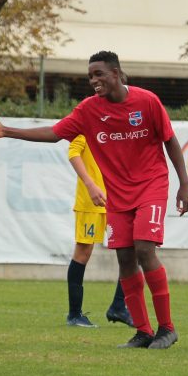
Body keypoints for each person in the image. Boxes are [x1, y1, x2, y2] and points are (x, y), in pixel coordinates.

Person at [0, 50, 188, 350]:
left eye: (99, 74)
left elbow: (170, 140)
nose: (94, 80)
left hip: (151, 185)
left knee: (143, 249)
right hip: (118, 194)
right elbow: (54, 133)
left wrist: (185, 184)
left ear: (116, 73)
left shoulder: (147, 101)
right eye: (90, 76)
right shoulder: (89, 110)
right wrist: (7, 131)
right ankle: (143, 331)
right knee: (124, 258)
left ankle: (167, 328)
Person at [66, 134, 133, 328]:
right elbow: (73, 153)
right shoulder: (85, 127)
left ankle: (119, 306)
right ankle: (74, 315)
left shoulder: (118, 130)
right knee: (83, 253)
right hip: (91, 203)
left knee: (131, 251)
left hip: (117, 201)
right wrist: (90, 184)